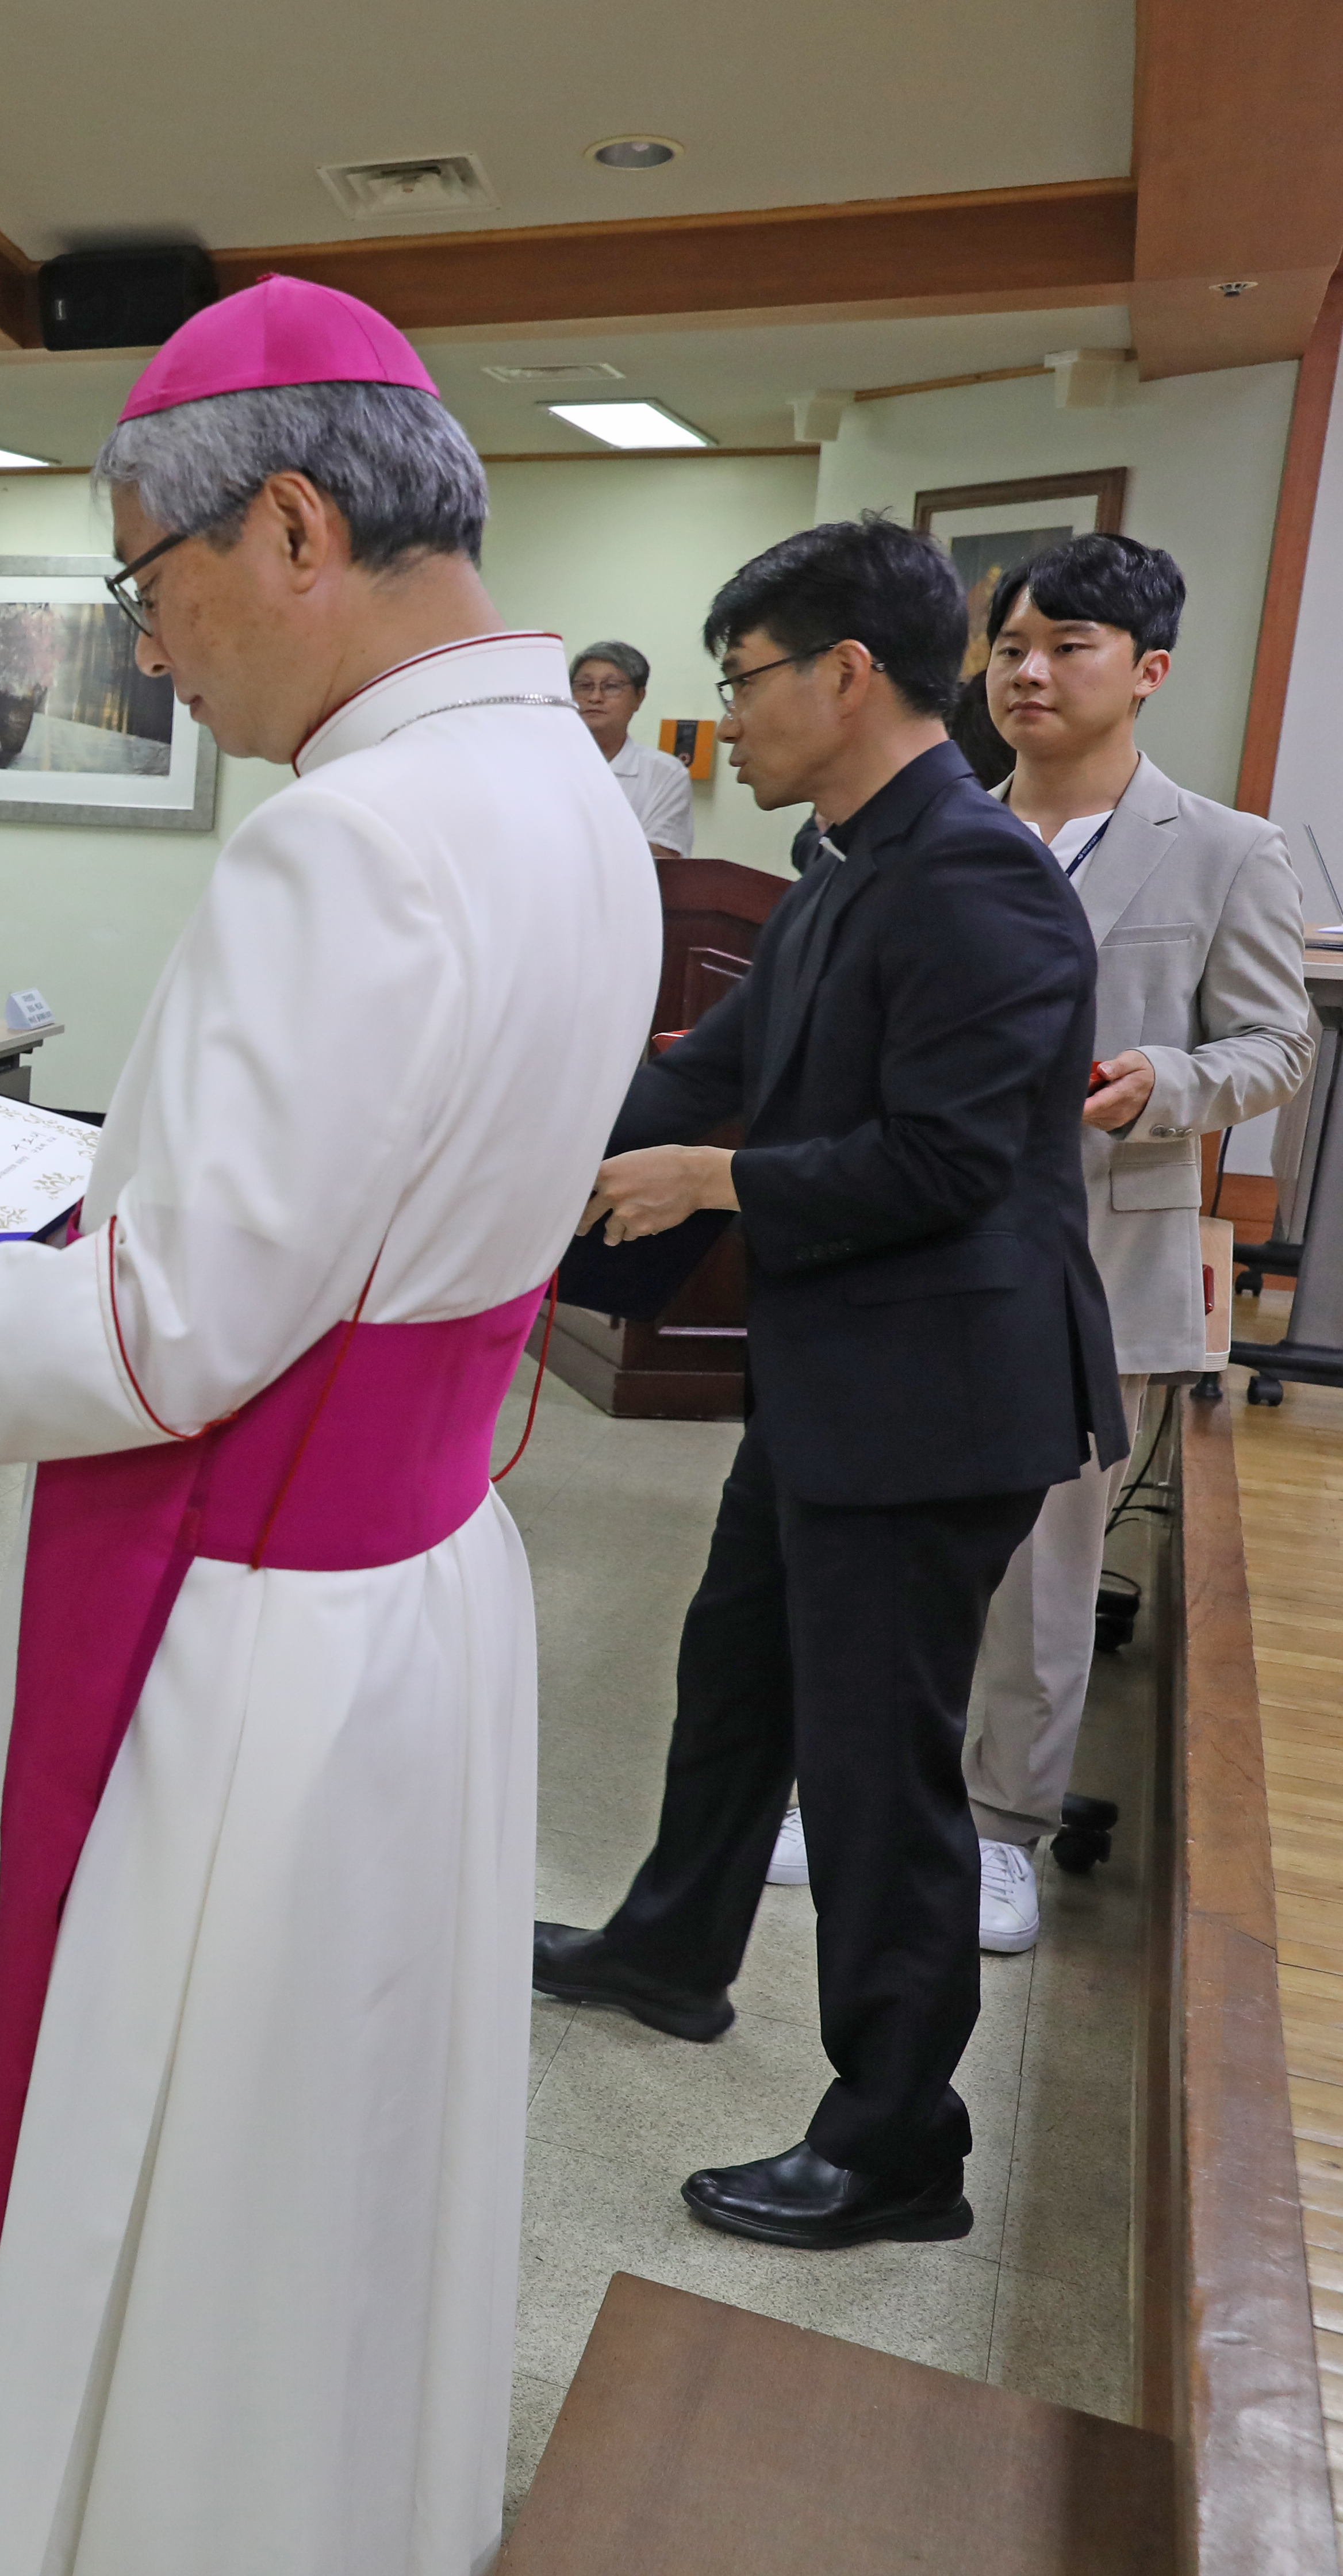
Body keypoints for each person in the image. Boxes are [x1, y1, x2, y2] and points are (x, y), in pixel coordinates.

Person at [0, 275, 656, 2573]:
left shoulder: (346, 839)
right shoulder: (566, 794)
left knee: (193, 2161)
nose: (155, 649)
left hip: (255, 1640)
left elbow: (172, 1339)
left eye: (152, 583)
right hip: (420, 1579)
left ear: (290, 524)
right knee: (342, 2171)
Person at [538, 516, 1122, 2256]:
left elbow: (943, 1160)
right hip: (831, 1374)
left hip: (935, 1395)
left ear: (844, 672)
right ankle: (668, 1941)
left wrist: (710, 1180)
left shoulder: (975, 873)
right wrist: (519, 1156)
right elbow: (707, 1069)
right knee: (731, 1671)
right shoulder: (839, 868)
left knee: (875, 1776)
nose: (731, 714)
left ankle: (893, 2136)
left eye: (743, 679)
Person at [952, 534, 1309, 1949]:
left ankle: (1001, 1830)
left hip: (1100, 1249)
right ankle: (868, 1785)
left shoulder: (1224, 848)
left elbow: (1279, 1045)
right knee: (897, 1544)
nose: (1028, 672)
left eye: (1067, 647)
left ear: (1148, 671)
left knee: (1045, 1561)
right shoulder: (947, 831)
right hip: (928, 1249)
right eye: (1012, 646)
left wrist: (1166, 1082)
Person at [571, 639, 694, 860]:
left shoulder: (666, 774)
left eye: (611, 686)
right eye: (584, 686)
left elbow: (664, 857)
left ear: (639, 697)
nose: (595, 698)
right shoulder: (542, 765)